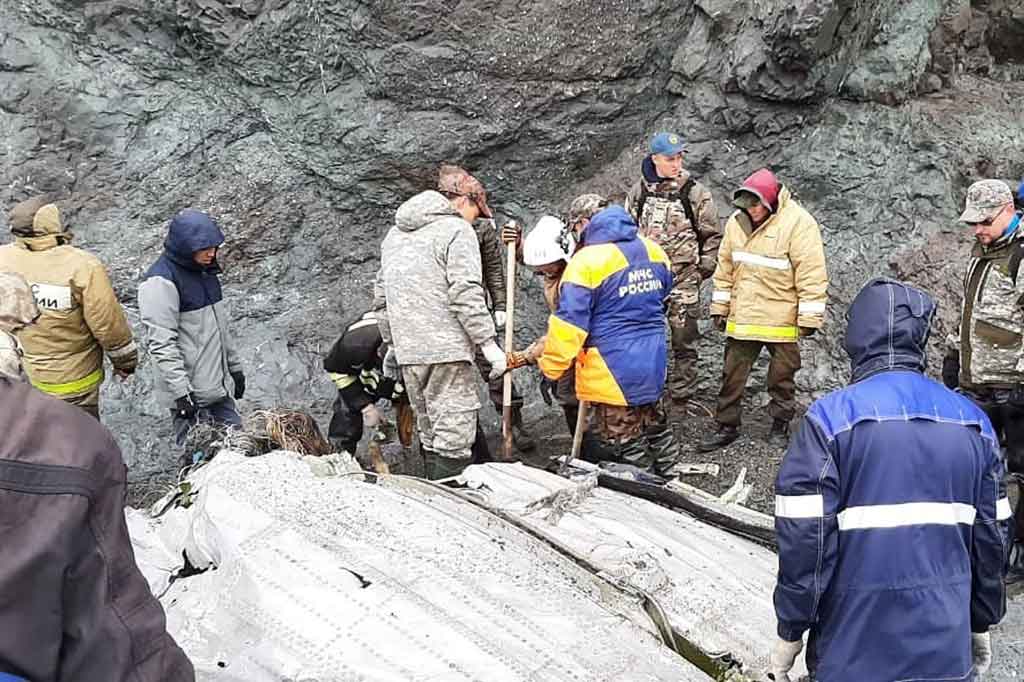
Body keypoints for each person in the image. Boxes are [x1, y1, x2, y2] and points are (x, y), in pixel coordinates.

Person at [771, 278, 1010, 682]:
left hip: (851, 652)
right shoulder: (974, 424)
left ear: (857, 336)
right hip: (946, 653)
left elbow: (804, 542)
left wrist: (791, 630)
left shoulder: (829, 421)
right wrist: (981, 620)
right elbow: (992, 539)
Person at [0, 271, 195, 682]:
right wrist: (125, 360)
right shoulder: (79, 267)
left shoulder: (8, 257)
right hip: (65, 409)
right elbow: (107, 619)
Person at [537, 196, 682, 477]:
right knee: (656, 426)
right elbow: (663, 296)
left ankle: (649, 497)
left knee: (624, 441)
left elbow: (569, 327)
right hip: (652, 361)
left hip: (610, 369)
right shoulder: (655, 252)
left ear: (584, 225)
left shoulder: (586, 263)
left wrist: (551, 369)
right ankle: (672, 478)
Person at [374, 184, 507, 480]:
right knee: (455, 438)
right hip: (446, 351)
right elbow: (465, 292)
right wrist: (487, 344)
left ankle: (435, 500)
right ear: (462, 201)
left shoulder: (394, 236)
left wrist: (393, 344)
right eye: (476, 212)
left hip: (410, 352)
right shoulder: (456, 231)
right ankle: (454, 506)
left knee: (430, 431)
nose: (475, 221)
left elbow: (382, 298)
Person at [699, 169, 828, 452]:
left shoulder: (799, 224)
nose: (752, 211)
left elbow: (811, 273)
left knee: (781, 378)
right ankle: (726, 425)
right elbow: (725, 268)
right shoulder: (737, 223)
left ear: (770, 201)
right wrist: (720, 307)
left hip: (781, 319)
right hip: (744, 316)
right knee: (732, 374)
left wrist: (809, 318)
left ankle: (780, 425)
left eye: (756, 205)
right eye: (746, 205)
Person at [943, 179, 1024, 585]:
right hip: (979, 385)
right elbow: (970, 315)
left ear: (1009, 210)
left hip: (1015, 386)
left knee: (1022, 471)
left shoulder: (1021, 255)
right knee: (974, 467)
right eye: (973, 222)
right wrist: (954, 356)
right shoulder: (981, 256)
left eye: (985, 221)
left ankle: (1020, 553)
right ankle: (980, 544)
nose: (977, 229)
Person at [0, 198, 138, 419]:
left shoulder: (3, 258)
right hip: (74, 382)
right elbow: (107, 324)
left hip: (20, 378)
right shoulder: (82, 266)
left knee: (38, 440)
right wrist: (125, 362)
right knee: (81, 442)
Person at [438, 164, 535, 452]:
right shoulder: (433, 231)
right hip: (444, 316)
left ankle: (513, 424)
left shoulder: (479, 228)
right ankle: (473, 444)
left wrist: (501, 304)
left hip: (477, 309)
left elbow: (493, 268)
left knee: (497, 368)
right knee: (454, 381)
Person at [624, 132, 721, 407]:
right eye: (670, 159)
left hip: (684, 279)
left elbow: (712, 235)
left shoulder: (694, 192)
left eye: (679, 158)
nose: (676, 164)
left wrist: (703, 269)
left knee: (684, 339)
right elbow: (627, 232)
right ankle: (647, 393)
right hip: (647, 279)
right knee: (644, 337)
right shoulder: (639, 192)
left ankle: (682, 396)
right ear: (654, 159)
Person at [139, 209, 245, 449]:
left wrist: (235, 369)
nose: (212, 253)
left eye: (214, 247)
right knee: (194, 457)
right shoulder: (160, 282)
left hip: (217, 388)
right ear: (185, 247)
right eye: (204, 248)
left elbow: (221, 328)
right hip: (190, 395)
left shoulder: (205, 273)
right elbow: (161, 343)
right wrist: (181, 393)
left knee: (241, 447)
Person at [505, 215, 580, 434]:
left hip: (578, 344)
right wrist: (518, 247)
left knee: (572, 397)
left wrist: (527, 355)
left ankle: (589, 451)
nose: (543, 273)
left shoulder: (574, 284)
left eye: (547, 269)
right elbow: (541, 261)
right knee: (565, 392)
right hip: (564, 339)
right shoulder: (557, 263)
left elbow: (564, 331)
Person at [322, 310, 420, 454]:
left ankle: (430, 457)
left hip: (419, 376)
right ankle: (339, 456)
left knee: (429, 417)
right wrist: (365, 406)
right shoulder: (356, 341)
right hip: (371, 375)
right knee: (347, 408)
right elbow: (337, 370)